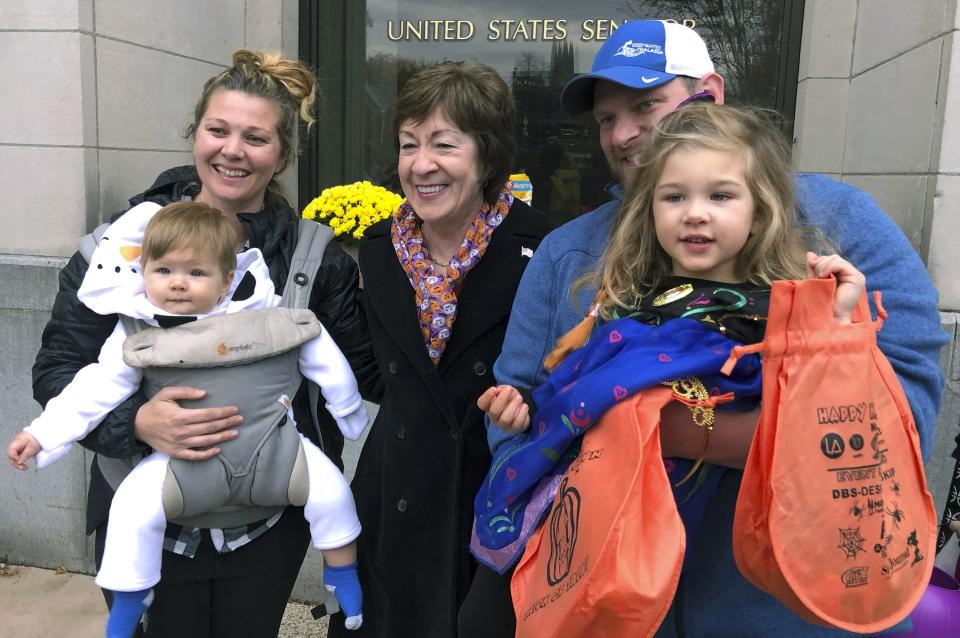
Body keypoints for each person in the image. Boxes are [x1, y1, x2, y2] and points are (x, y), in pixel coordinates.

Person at [489, 19, 947, 637]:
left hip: (790, 613)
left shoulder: (844, 226)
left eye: (646, 104)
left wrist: (657, 427)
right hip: (613, 609)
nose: (623, 134)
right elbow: (519, 413)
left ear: (711, 91)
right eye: (605, 118)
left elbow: (901, 427)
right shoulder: (566, 253)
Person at [31, 50, 379, 637]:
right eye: (218, 130)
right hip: (146, 516)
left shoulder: (315, 262)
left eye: (256, 137)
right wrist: (136, 422)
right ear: (195, 134)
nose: (232, 151)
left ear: (282, 156)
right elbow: (58, 369)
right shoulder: (117, 250)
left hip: (267, 520)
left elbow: (370, 372)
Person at [9, 202, 366, 636]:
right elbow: (92, 389)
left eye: (196, 273)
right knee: (131, 509)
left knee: (331, 491)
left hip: (274, 448)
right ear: (142, 272)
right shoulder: (138, 332)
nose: (178, 283)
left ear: (226, 280)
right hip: (178, 463)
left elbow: (318, 348)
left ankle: (342, 574)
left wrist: (347, 409)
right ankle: (129, 598)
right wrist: (43, 436)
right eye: (163, 271)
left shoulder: (262, 313)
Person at [325, 61, 553, 638]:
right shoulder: (376, 248)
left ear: (488, 156)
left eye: (444, 144)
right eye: (409, 145)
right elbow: (386, 379)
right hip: (393, 494)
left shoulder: (543, 250)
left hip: (495, 499)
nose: (421, 164)